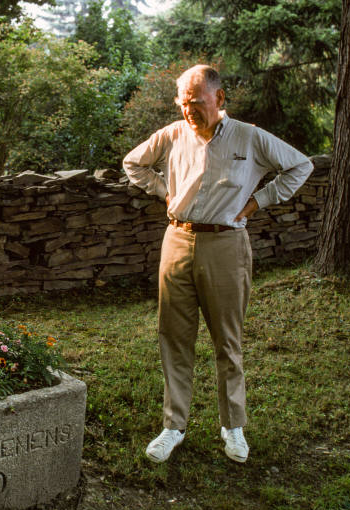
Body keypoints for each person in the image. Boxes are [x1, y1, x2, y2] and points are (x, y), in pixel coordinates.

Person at [123, 65, 313, 464]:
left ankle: (233, 427)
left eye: (196, 102)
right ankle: (173, 427)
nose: (188, 109)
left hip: (227, 245)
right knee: (173, 337)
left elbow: (301, 166)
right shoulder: (174, 134)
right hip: (177, 241)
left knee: (227, 340)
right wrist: (167, 193)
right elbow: (133, 163)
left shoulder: (249, 136)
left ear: (219, 99)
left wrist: (259, 201)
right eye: (182, 102)